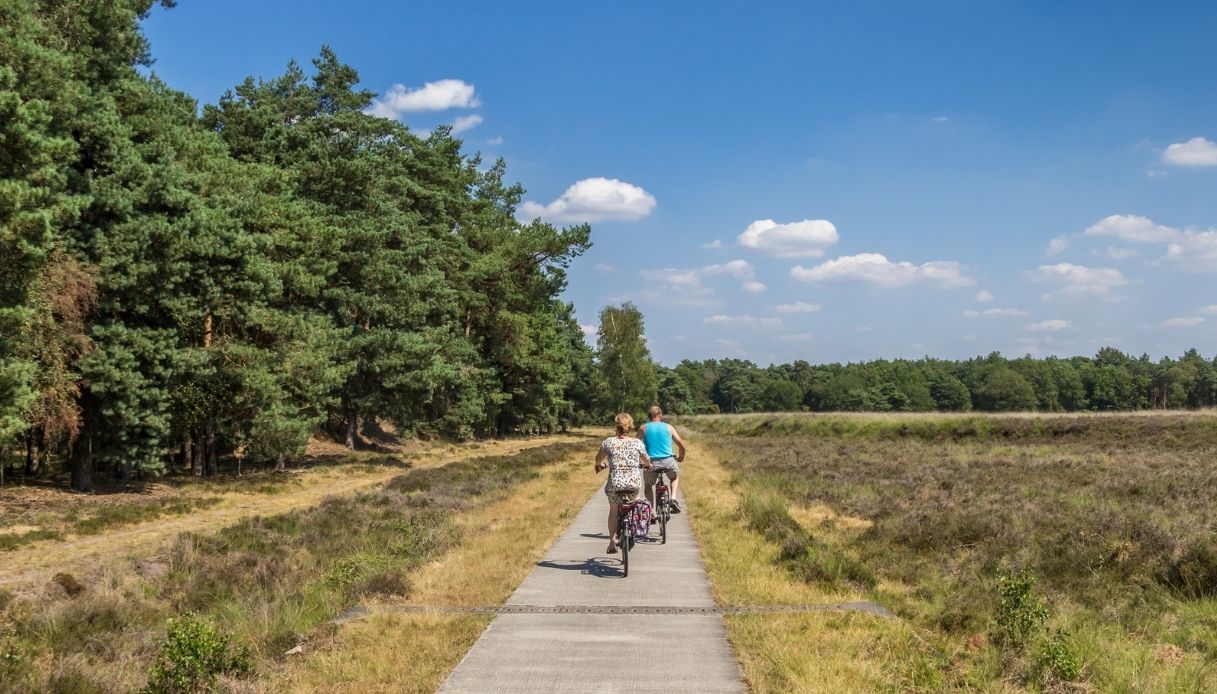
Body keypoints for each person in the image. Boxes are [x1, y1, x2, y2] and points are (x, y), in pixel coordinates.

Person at [594, 413, 651, 554]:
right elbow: (646, 460)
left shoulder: (609, 442)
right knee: (633, 504)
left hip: (615, 484)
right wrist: (646, 465)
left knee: (614, 510)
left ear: (616, 426)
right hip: (633, 484)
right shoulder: (637, 443)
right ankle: (632, 528)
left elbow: (598, 459)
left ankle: (612, 543)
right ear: (630, 427)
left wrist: (599, 464)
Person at [638, 405, 687, 514]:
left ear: (649, 416)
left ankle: (650, 513)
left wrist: (639, 461)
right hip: (668, 461)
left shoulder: (643, 428)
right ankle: (673, 498)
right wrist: (680, 457)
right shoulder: (669, 427)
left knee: (648, 485)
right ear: (660, 415)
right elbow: (681, 445)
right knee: (675, 477)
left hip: (651, 463)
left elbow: (634, 445)